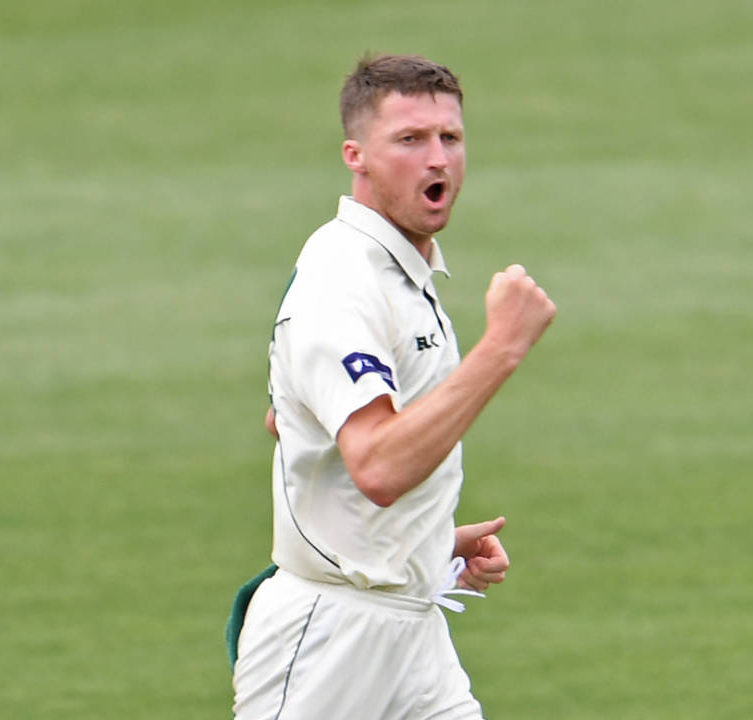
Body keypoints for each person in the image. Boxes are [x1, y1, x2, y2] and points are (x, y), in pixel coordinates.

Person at [230, 53, 557, 720]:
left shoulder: (400, 273)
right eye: (409, 140)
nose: (436, 158)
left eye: (450, 138)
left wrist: (429, 540)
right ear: (358, 156)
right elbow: (377, 465)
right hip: (330, 644)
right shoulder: (341, 281)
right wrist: (501, 349)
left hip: (411, 627)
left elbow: (298, 428)